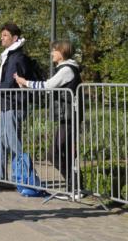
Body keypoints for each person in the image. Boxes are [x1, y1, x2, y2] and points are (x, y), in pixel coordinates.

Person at [15, 40, 81, 181]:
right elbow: (50, 90)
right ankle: (74, 187)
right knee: (63, 153)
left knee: (54, 153)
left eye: (54, 50)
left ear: (62, 52)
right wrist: (27, 86)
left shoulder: (67, 70)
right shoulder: (65, 69)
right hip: (68, 117)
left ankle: (75, 185)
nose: (51, 53)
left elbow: (48, 85)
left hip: (70, 117)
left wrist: (25, 82)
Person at [0, 23, 34, 181]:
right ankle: (0, 176)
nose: (1, 38)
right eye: (1, 35)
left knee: (13, 143)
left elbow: (10, 84)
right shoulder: (8, 56)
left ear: (14, 38)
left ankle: (25, 178)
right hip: (5, 105)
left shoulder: (17, 57)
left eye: (5, 35)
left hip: (14, 105)